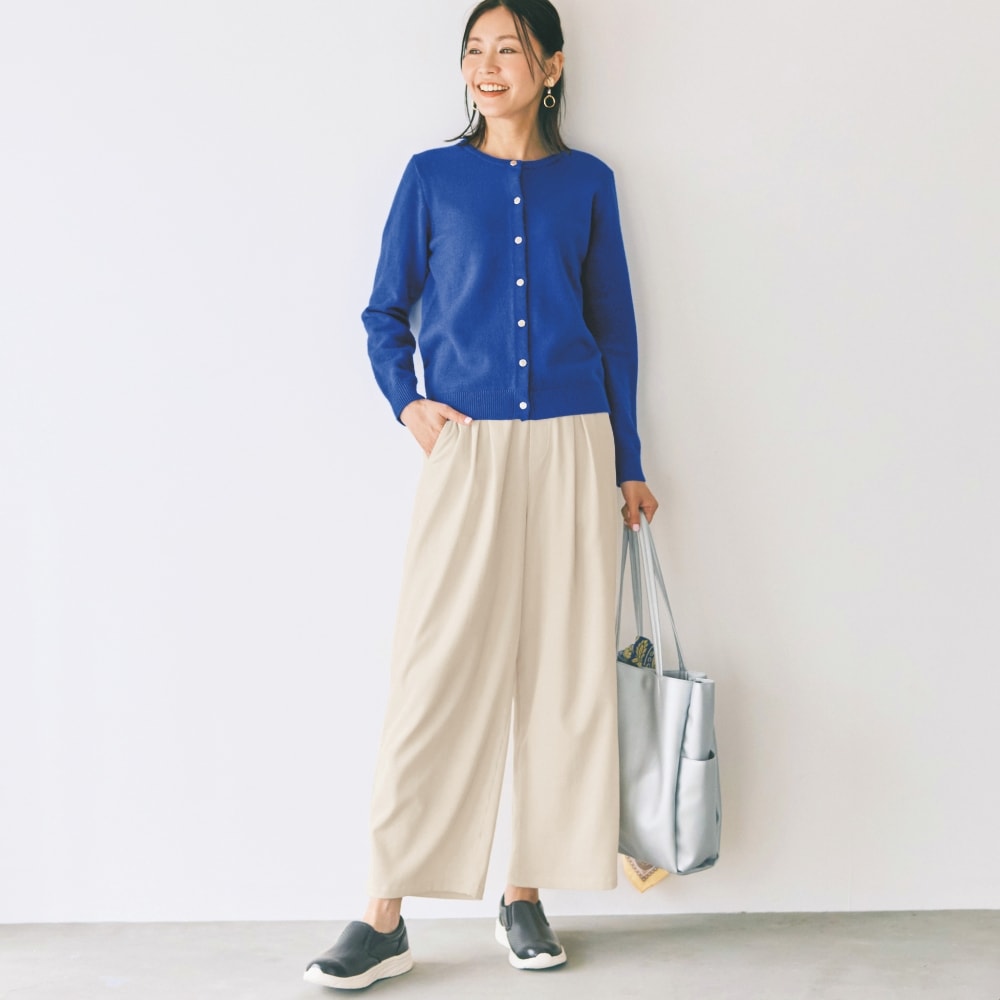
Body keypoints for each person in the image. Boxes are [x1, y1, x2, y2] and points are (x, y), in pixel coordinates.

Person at [305, 0, 657, 989]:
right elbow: (383, 310)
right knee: (436, 670)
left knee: (562, 672)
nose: (487, 65)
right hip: (465, 445)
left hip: (576, 442)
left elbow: (616, 329)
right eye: (474, 50)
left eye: (508, 49)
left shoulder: (589, 183)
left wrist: (629, 460)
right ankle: (384, 913)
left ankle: (525, 892)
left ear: (551, 65)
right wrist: (406, 402)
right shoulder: (432, 177)